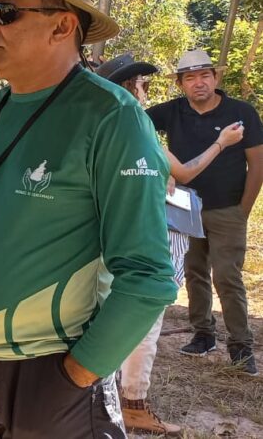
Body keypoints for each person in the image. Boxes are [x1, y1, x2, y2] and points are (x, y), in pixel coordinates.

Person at [0, 0, 178, 437]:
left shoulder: (113, 118)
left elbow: (147, 275)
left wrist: (76, 376)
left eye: (5, 12)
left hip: (52, 371)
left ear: (63, 26)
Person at [97, 53, 244, 434]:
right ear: (132, 88)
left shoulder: (100, 127)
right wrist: (222, 144)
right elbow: (183, 171)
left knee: (112, 320)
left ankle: (111, 401)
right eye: (143, 84)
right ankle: (130, 403)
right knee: (143, 324)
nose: (147, 91)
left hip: (114, 241)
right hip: (145, 240)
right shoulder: (135, 127)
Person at [146, 49, 263, 376]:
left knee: (227, 276)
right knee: (194, 271)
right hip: (185, 207)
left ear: (215, 77)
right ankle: (203, 334)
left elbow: (257, 163)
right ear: (181, 83)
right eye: (190, 78)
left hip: (228, 209)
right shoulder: (173, 111)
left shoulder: (241, 112)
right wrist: (164, 165)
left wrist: (244, 209)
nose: (199, 83)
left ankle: (240, 345)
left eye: (205, 75)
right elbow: (133, 121)